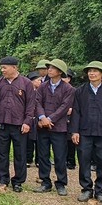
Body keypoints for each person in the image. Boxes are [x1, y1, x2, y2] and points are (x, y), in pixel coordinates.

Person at [70, 61, 102, 204]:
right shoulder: (81, 90)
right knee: (84, 160)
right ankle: (86, 189)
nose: (92, 73)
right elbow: (76, 112)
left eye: (95, 71)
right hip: (84, 132)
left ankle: (100, 190)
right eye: (90, 71)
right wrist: (74, 131)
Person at [0, 57, 35, 193]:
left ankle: (18, 181)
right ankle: (2, 179)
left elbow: (31, 104)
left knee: (20, 154)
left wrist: (27, 122)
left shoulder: (26, 83)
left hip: (19, 125)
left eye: (5, 67)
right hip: (3, 124)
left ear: (14, 67)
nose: (2, 70)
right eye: (1, 67)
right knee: (2, 153)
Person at [33, 59, 74, 196]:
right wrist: (42, 117)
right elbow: (37, 102)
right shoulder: (43, 87)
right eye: (49, 67)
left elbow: (64, 107)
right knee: (43, 155)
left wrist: (49, 119)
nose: (49, 70)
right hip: (42, 126)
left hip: (59, 128)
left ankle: (61, 183)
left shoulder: (68, 89)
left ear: (60, 72)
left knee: (60, 156)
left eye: (52, 68)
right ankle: (45, 182)